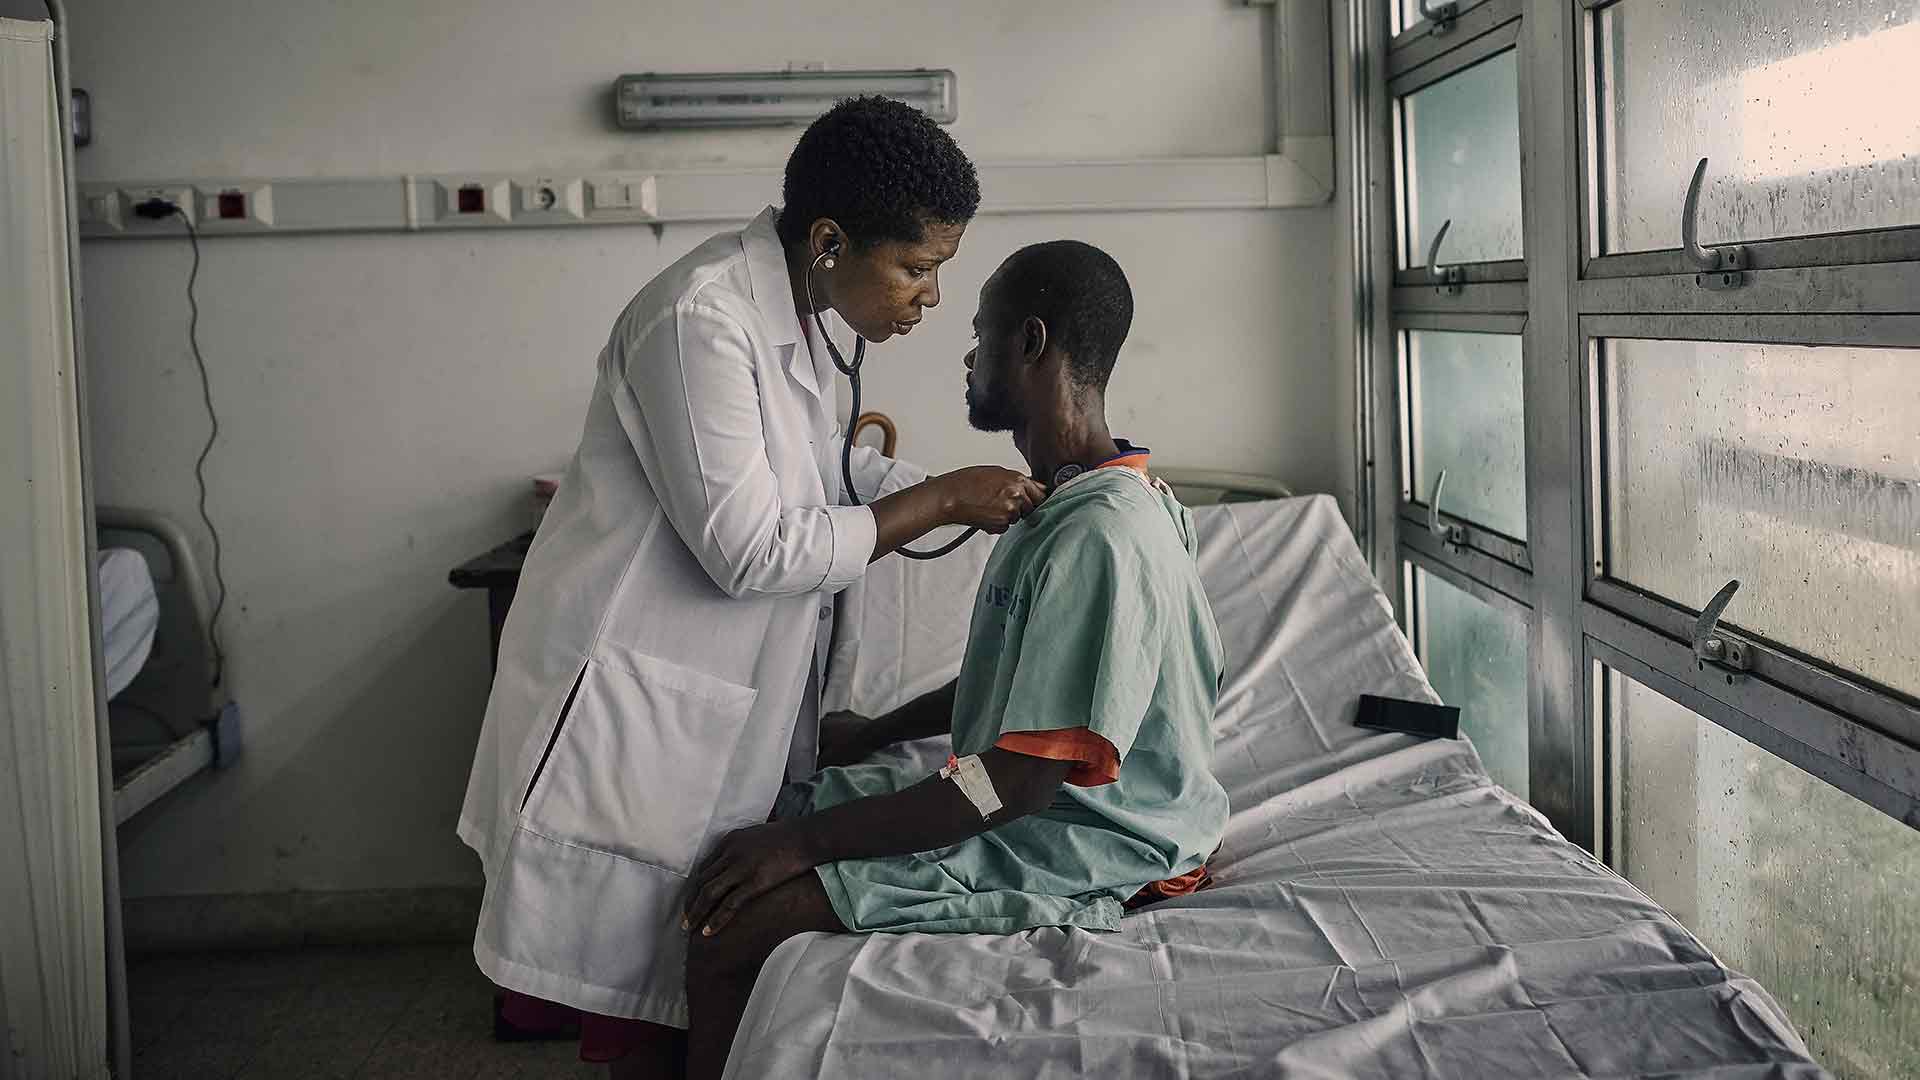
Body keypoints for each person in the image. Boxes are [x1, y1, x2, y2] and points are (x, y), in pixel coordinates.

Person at [454, 97, 1048, 1076]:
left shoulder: (800, 315)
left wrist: (976, 494)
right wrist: (943, 500)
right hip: (633, 700)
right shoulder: (701, 319)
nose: (928, 300)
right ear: (829, 240)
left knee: (679, 975)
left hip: (715, 702)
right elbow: (751, 548)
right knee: (637, 1005)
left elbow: (815, 469)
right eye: (916, 267)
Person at [679, 240, 1231, 1079]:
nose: (968, 357)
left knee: (738, 924)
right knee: (768, 806)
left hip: (1095, 840)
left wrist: (805, 849)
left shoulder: (1102, 535)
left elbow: (1014, 780)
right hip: (1021, 791)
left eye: (982, 334)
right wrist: (875, 733)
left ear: (1032, 343)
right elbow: (1020, 684)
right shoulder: (1071, 504)